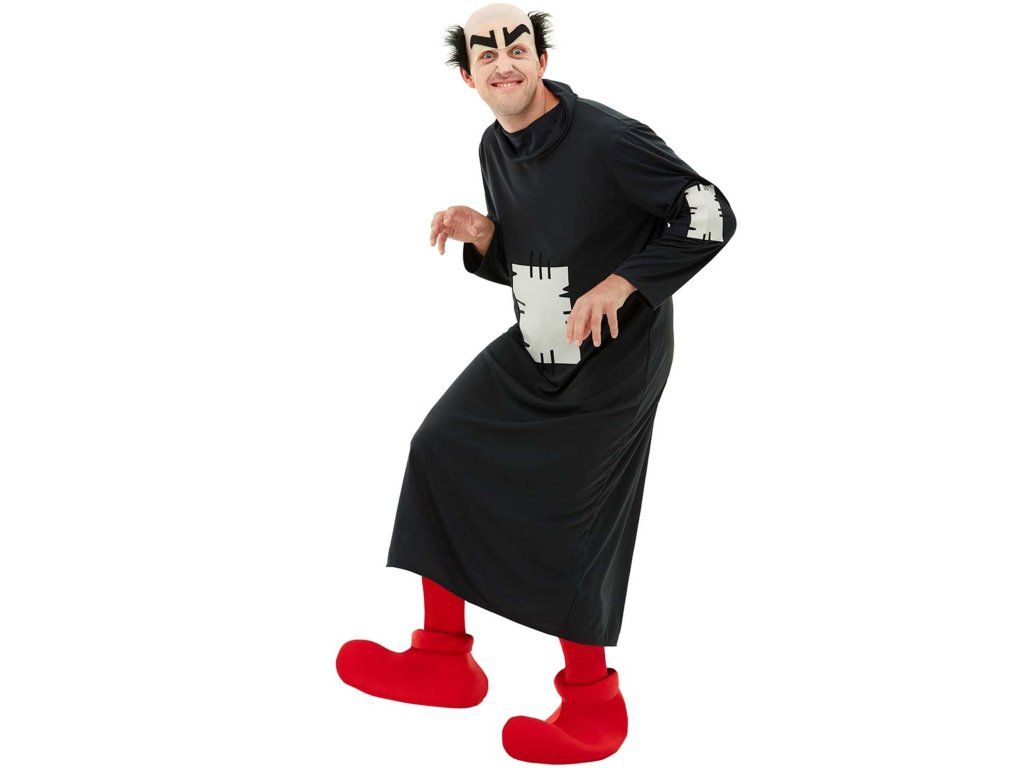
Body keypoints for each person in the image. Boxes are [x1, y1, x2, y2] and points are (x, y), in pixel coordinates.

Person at [337, 4, 737, 763]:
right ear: (468, 77)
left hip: (616, 359)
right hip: (540, 341)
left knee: (570, 515)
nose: (503, 62)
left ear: (541, 60)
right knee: (441, 446)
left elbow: (710, 213)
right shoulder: (496, 144)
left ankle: (593, 704)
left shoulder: (609, 138)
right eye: (485, 54)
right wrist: (486, 237)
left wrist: (623, 283)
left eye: (516, 47)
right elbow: (539, 255)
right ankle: (442, 657)